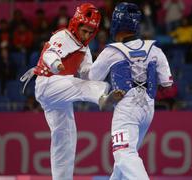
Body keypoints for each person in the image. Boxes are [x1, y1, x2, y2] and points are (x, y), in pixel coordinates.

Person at [20, 3, 123, 180]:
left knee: (65, 138)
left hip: (61, 93)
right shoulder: (63, 36)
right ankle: (102, 98)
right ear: (75, 25)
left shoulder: (85, 49)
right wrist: (56, 64)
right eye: (85, 30)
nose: (87, 35)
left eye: (91, 32)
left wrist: (104, 65)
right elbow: (49, 54)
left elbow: (87, 74)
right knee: (85, 87)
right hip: (48, 84)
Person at [89, 2, 173, 179]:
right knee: (125, 159)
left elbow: (92, 77)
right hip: (148, 109)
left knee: (123, 154)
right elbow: (167, 83)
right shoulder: (155, 50)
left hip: (126, 109)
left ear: (116, 24)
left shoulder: (111, 51)